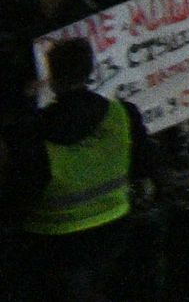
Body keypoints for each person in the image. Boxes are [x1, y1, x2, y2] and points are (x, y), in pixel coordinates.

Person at [8, 36, 140, 300]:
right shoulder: (120, 115)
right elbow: (142, 162)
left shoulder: (31, 130)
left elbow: (20, 191)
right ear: (90, 70)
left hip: (54, 239)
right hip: (113, 228)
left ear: (52, 76)